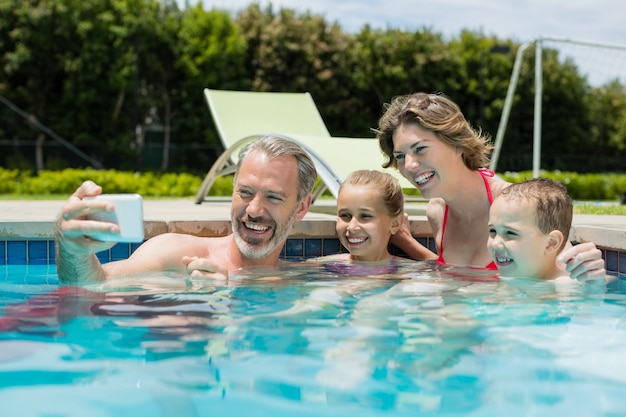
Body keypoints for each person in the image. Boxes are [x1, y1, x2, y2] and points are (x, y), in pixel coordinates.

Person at [374, 91, 605, 280]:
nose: (410, 165)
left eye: (420, 149)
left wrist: (591, 270)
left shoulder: (517, 205)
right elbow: (461, 275)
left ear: (457, 144)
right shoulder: (437, 211)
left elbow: (569, 276)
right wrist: (407, 243)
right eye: (400, 156)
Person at [55, 136, 317, 283]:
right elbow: (92, 286)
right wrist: (73, 252)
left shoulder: (303, 280)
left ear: (301, 207)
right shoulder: (176, 254)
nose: (254, 209)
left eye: (273, 197)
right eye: (245, 192)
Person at [312, 170, 409, 272]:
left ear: (395, 224)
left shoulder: (407, 272)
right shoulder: (319, 267)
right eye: (345, 215)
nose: (352, 227)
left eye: (365, 216)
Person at [487, 178, 572, 279]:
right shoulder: (508, 279)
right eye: (493, 231)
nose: (495, 244)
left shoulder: (564, 288)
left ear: (551, 242)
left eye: (510, 233)